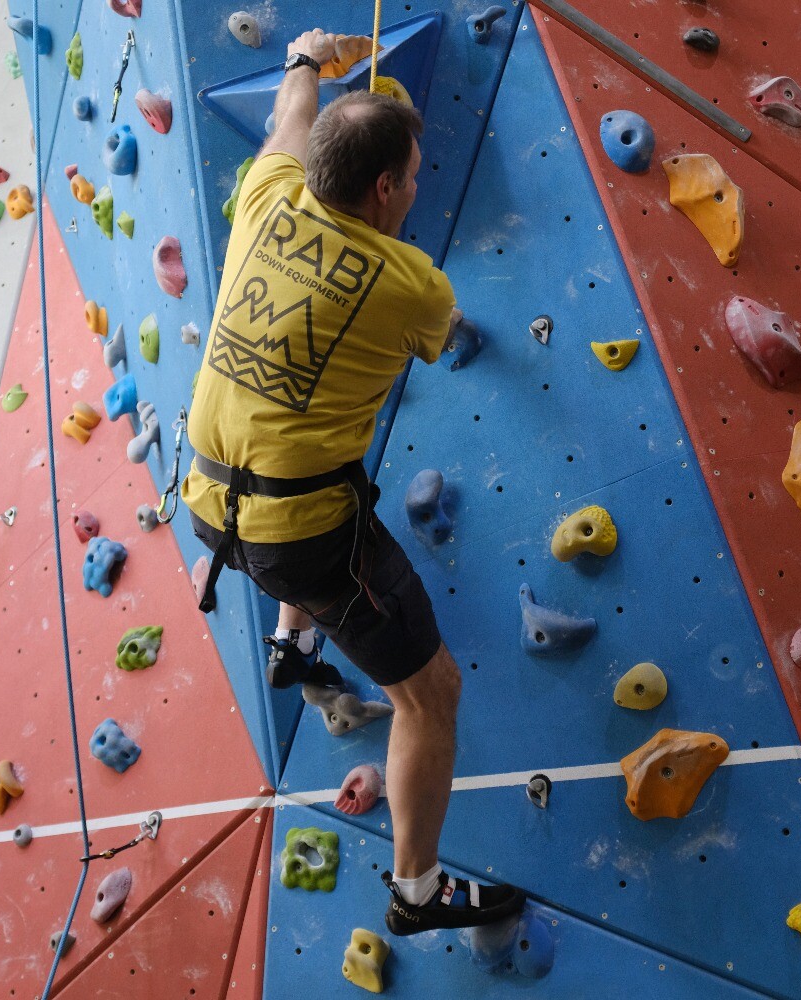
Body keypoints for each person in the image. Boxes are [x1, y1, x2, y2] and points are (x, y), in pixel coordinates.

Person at [182, 27, 524, 936]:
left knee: (322, 445)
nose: (415, 189)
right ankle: (418, 894)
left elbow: (292, 115)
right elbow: (422, 331)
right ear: (384, 189)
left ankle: (293, 650)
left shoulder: (265, 192)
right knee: (431, 691)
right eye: (410, 177)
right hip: (299, 536)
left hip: (211, 499)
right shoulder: (415, 286)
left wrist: (304, 57)